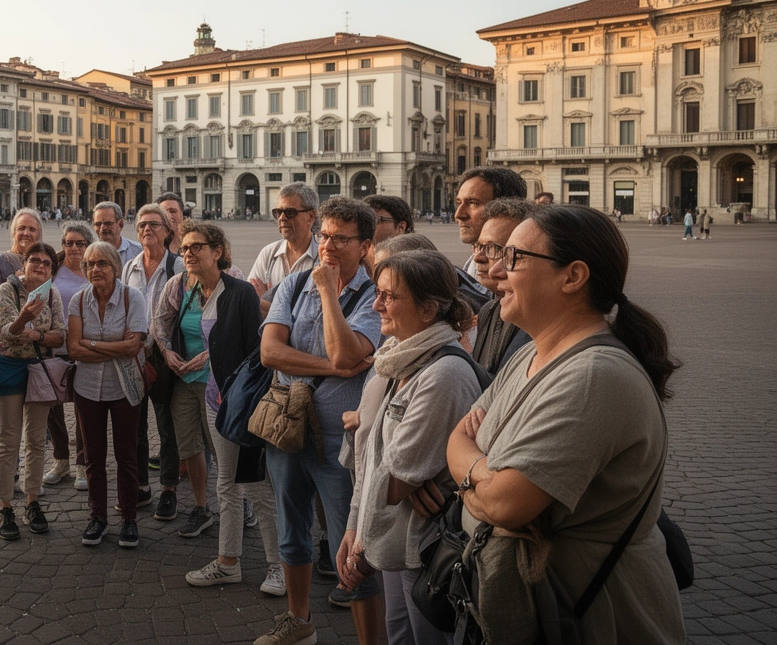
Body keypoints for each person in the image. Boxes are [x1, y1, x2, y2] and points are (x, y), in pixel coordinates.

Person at [447, 205, 686, 644]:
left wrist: (473, 479)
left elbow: (504, 505)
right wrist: (483, 476)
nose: (495, 270)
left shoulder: (595, 375)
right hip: (541, 603)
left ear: (572, 277)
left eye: (514, 257)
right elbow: (456, 438)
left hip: (589, 616)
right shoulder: (531, 352)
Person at [338, 250, 482, 645]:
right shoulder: (397, 360)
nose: (375, 304)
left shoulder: (444, 373)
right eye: (378, 292)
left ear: (427, 309)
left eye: (389, 296)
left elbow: (399, 475)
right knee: (399, 633)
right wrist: (355, 527)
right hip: (392, 538)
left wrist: (362, 547)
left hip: (425, 547)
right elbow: (372, 460)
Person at [256, 197, 381, 645]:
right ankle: (299, 621)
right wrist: (333, 366)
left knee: (355, 549)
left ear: (365, 245)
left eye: (340, 239)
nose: (328, 245)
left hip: (341, 441)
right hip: (287, 430)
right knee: (293, 534)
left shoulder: (373, 296)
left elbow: (349, 351)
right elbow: (271, 352)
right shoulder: (291, 286)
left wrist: (329, 291)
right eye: (325, 235)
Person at [153, 221, 284, 595]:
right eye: (186, 248)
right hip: (214, 401)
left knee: (257, 487)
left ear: (218, 251)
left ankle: (277, 567)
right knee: (226, 485)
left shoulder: (240, 292)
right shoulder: (187, 290)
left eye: (198, 247)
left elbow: (257, 349)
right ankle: (228, 562)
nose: (190, 254)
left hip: (241, 403)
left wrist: (238, 391)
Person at [67, 241, 148, 548]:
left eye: (102, 263)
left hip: (124, 387)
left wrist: (91, 344)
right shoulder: (78, 299)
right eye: (89, 264)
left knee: (127, 455)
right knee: (93, 456)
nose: (95, 269)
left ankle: (129, 518)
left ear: (116, 267)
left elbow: (134, 347)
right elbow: (73, 348)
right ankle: (97, 517)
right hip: (87, 389)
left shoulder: (132, 297)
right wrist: (112, 349)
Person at [0, 241, 67, 540]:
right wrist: (23, 318)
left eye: (46, 263)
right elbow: (2, 333)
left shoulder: (53, 294)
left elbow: (60, 336)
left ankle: (33, 501)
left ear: (52, 270)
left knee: (36, 439)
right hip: (10, 368)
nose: (40, 266)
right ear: (24, 264)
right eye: (34, 260)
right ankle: (6, 505)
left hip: (39, 369)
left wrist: (36, 334)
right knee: (8, 439)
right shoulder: (8, 290)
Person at [121, 204, 183, 519]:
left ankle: (169, 489)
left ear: (167, 232)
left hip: (165, 356)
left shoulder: (179, 266)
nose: (147, 229)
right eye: (143, 224)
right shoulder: (129, 267)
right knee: (135, 426)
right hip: (133, 356)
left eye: (154, 224)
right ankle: (141, 485)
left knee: (167, 425)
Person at [47, 221, 96, 489]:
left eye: (79, 243)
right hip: (54, 348)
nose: (73, 248)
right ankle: (60, 460)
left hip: (83, 348)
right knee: (52, 408)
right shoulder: (52, 268)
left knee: (83, 409)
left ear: (88, 245)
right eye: (68, 243)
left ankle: (81, 464)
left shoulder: (95, 269)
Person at [469, 198, 536, 374]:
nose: (478, 257)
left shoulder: (539, 319)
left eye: (494, 248)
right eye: (478, 246)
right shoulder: (489, 311)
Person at [249, 183, 320, 319]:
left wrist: (267, 304)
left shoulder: (323, 256)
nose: (282, 218)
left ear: (311, 216)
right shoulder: (268, 254)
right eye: (278, 212)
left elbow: (315, 316)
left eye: (290, 212)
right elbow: (251, 305)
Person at [455, 167, 528, 277]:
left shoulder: (522, 275)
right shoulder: (473, 265)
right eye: (459, 203)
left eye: (473, 203)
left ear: (506, 208)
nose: (459, 215)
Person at [0, 208, 43, 323]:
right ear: (13, 233)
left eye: (32, 229)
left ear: (38, 235)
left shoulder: (45, 264)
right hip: (7, 336)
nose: (26, 233)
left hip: (40, 337)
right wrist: (15, 283)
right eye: (21, 228)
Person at [92, 201, 142, 266]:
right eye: (98, 224)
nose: (103, 228)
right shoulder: (87, 253)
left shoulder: (139, 252)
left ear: (121, 224)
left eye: (108, 224)